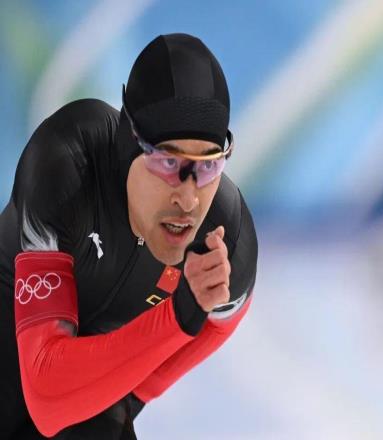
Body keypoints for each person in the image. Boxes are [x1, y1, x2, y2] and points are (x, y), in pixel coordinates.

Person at [0, 33, 258, 439]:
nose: (189, 199)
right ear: (129, 145)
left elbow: (220, 323)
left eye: (208, 166)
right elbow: (46, 397)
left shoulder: (227, 235)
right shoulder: (69, 162)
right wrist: (177, 316)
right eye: (169, 162)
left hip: (87, 381)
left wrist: (126, 396)